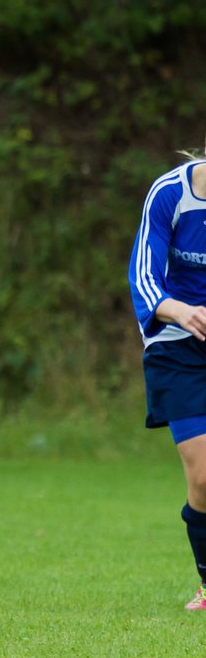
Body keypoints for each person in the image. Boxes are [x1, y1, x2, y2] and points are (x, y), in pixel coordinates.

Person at [129, 152, 206, 608]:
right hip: (176, 344)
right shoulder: (170, 193)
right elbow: (143, 274)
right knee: (203, 478)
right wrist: (182, 310)